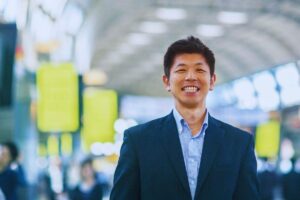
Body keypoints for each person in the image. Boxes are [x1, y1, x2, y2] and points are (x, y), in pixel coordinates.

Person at [110, 36, 259, 200]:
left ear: (212, 81)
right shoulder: (138, 141)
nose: (191, 77)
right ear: (166, 82)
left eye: (200, 70)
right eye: (181, 70)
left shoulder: (239, 144)